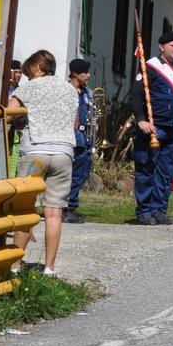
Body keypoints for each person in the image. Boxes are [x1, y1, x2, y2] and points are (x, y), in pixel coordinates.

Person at [10, 50, 79, 273]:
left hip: (35, 153)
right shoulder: (70, 89)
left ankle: (15, 266)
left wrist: (22, 120)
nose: (29, 76)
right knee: (54, 213)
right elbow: (75, 124)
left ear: (37, 68)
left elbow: (8, 115)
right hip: (63, 153)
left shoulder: (29, 87)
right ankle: (49, 269)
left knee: (24, 209)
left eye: (30, 72)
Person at [130, 31, 173, 226]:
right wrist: (141, 120)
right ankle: (144, 211)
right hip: (153, 128)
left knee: (165, 172)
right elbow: (136, 96)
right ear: (161, 47)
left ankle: (159, 210)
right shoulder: (151, 68)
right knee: (147, 169)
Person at [65, 59, 94, 225]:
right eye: (85, 72)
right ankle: (65, 207)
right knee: (70, 174)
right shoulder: (67, 91)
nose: (89, 75)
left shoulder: (86, 93)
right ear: (76, 74)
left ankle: (72, 206)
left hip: (84, 137)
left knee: (81, 173)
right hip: (71, 137)